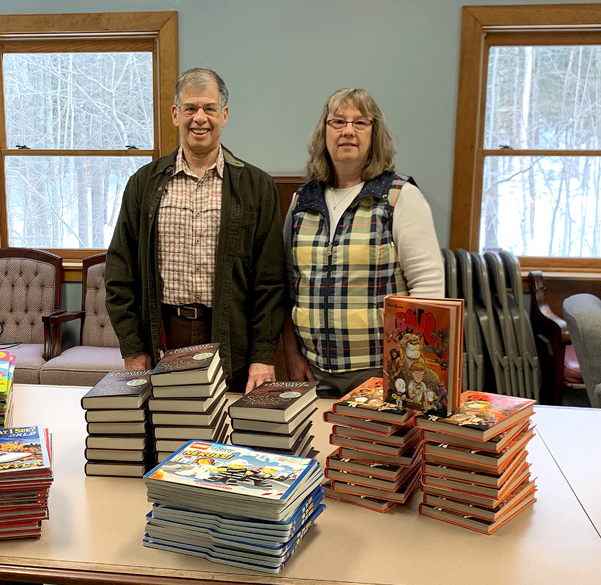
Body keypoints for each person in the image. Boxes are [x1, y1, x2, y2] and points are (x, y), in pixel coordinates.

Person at [105, 67, 286, 393]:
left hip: (231, 342)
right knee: (164, 431)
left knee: (224, 438)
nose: (199, 118)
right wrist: (132, 348)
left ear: (224, 115)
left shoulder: (256, 186)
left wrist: (263, 354)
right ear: (176, 114)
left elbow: (270, 282)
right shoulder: (144, 185)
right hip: (163, 336)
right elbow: (120, 273)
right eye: (190, 108)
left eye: (209, 108)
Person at [283, 88, 444, 398]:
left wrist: (409, 370)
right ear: (324, 132)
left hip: (383, 375)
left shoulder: (400, 197)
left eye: (360, 123)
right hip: (314, 376)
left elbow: (428, 289)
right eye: (338, 121)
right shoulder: (301, 202)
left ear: (375, 133)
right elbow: (289, 288)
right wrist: (291, 355)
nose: (348, 131)